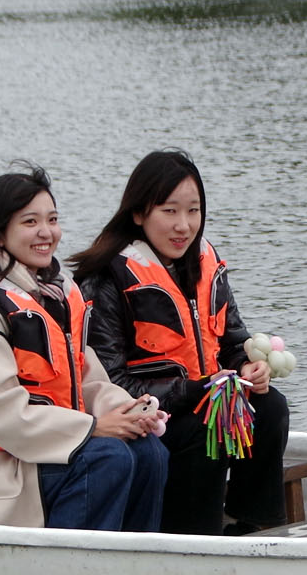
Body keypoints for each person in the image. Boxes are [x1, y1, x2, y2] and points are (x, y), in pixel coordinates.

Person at [0, 166, 169, 530]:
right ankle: (71, 574)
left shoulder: (60, 299)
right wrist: (94, 427)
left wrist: (128, 412)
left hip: (55, 453)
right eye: (30, 222)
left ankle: (132, 567)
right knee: (107, 456)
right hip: (2, 477)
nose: (46, 232)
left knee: (149, 451)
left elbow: (88, 381)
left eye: (52, 219)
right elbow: (4, 415)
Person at [73, 150, 291, 535]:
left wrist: (247, 366)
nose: (184, 226)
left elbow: (233, 338)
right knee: (202, 429)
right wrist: (191, 392)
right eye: (170, 211)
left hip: (206, 400)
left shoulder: (205, 262)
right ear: (139, 214)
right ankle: (194, 539)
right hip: (149, 417)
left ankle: (255, 526)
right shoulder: (106, 278)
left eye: (193, 211)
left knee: (269, 406)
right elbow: (109, 382)